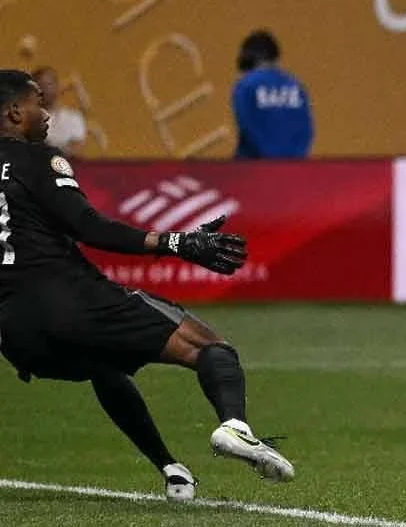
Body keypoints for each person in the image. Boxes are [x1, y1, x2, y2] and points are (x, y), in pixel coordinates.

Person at [0, 69, 294, 500]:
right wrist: (175, 242)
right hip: (69, 300)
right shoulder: (39, 160)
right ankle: (235, 427)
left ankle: (172, 470)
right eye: (37, 104)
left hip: (16, 333)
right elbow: (89, 226)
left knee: (104, 365)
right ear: (13, 111)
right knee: (210, 347)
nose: (47, 114)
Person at [231, 30, 314, 159]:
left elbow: (246, 125)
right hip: (292, 164)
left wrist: (269, 158)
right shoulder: (295, 86)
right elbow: (306, 129)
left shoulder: (246, 85)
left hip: (254, 164)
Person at [33, 66, 87, 158]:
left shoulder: (73, 118)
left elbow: (76, 149)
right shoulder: (28, 121)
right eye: (40, 85)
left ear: (57, 85)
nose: (44, 89)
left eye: (48, 84)